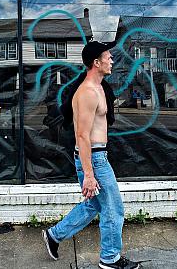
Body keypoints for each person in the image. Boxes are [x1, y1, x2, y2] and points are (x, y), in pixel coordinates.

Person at [42, 41, 141, 269]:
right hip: (94, 159)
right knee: (113, 209)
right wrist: (89, 173)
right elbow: (82, 136)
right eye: (108, 57)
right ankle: (110, 260)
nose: (112, 60)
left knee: (95, 206)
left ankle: (54, 235)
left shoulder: (98, 88)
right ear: (96, 62)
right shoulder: (87, 92)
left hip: (97, 157)